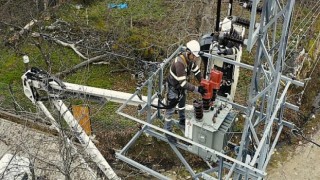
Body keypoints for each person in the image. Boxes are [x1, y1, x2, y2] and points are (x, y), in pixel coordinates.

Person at [164, 40, 207, 143]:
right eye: (194, 55)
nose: (196, 58)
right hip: (173, 89)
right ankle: (167, 132)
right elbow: (183, 83)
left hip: (180, 88)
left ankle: (182, 121)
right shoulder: (180, 63)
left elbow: (196, 71)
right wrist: (198, 90)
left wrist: (203, 82)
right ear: (188, 52)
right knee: (169, 112)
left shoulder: (190, 60)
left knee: (182, 105)